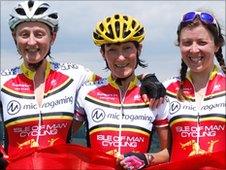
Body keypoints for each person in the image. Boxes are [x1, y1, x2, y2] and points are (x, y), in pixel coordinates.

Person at [0, 0, 166, 169]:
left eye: (39, 34)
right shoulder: (2, 81)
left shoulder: (76, 75)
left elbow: (116, 80)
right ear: (15, 37)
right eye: (24, 34)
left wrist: (147, 78)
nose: (32, 42)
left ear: (53, 37)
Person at [74, 13, 169, 170]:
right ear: (102, 53)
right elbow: (61, 137)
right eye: (112, 50)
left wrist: (147, 158)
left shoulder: (155, 95)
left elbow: (168, 153)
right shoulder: (87, 92)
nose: (120, 58)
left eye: (127, 48)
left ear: (139, 49)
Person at [164, 10, 226, 166]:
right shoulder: (167, 89)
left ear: (217, 45)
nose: (193, 49)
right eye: (187, 43)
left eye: (202, 42)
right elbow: (165, 152)